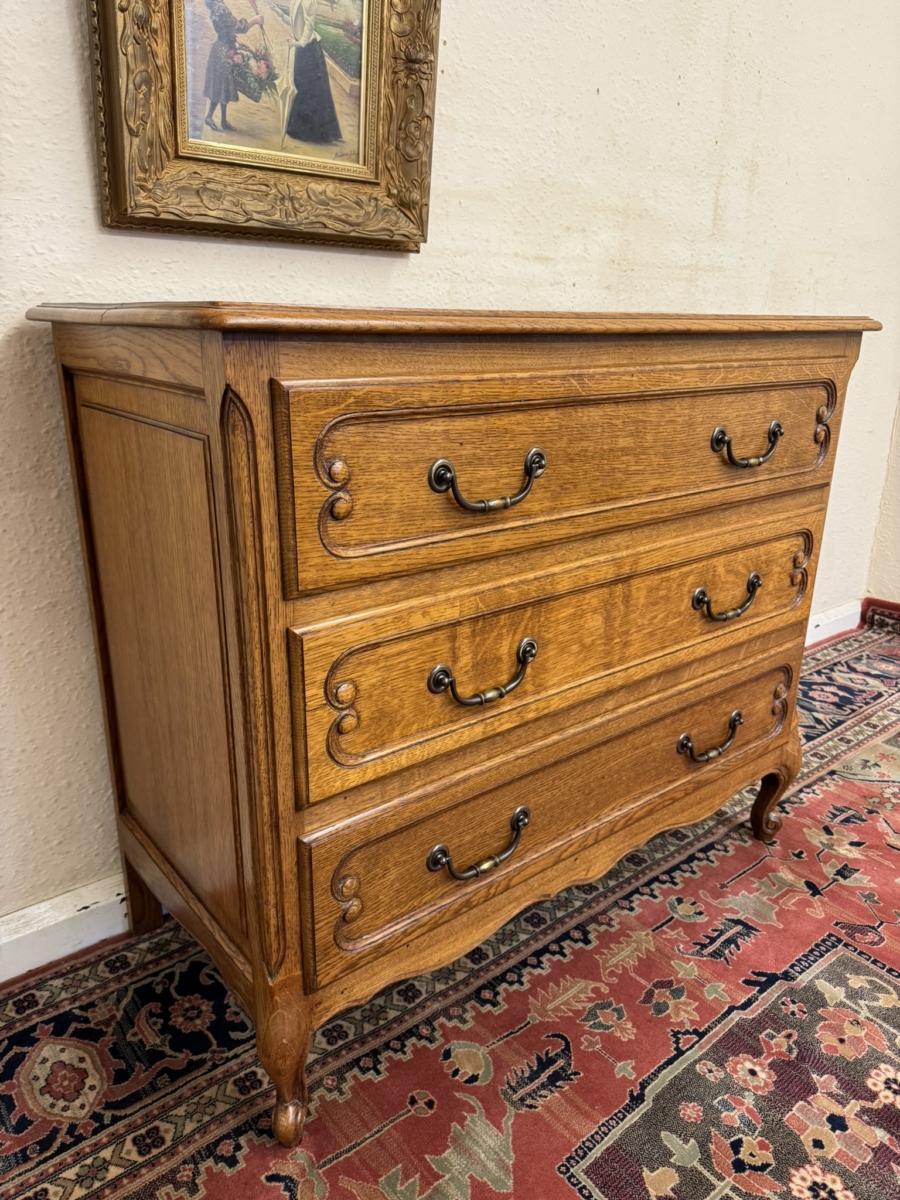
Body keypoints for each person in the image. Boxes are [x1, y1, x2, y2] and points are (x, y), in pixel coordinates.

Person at [284, 0, 342, 144]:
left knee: (310, 89)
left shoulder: (308, 1)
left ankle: (315, 133)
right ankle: (303, 129)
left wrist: (300, 43)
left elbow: (309, 25)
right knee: (301, 84)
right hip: (303, 49)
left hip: (309, 49)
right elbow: (297, 22)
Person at [203, 0, 265, 131]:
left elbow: (227, 31)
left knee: (223, 87)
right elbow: (238, 27)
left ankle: (223, 121)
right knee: (221, 87)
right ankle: (209, 117)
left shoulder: (217, 6)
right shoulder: (221, 8)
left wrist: (237, 42)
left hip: (223, 48)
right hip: (223, 52)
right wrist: (254, 20)